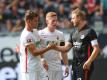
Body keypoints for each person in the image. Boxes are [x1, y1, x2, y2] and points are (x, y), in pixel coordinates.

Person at [55, 8, 100, 80]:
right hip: (74, 66)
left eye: (73, 18)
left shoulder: (90, 31)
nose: (71, 20)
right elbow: (66, 48)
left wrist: (89, 61)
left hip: (85, 65)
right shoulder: (73, 33)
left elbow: (96, 48)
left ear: (79, 18)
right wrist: (53, 47)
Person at [19, 10, 55, 80]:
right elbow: (34, 52)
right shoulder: (26, 35)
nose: (37, 23)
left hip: (38, 67)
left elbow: (38, 46)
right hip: (29, 70)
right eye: (35, 21)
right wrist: (49, 48)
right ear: (28, 21)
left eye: (37, 20)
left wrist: (43, 59)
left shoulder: (35, 31)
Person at [38, 12, 69, 80]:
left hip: (57, 67)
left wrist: (66, 65)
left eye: (56, 20)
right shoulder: (40, 34)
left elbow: (63, 51)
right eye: (53, 21)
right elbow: (37, 49)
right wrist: (42, 59)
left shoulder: (60, 34)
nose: (55, 23)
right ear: (47, 21)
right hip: (45, 67)